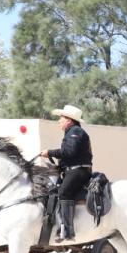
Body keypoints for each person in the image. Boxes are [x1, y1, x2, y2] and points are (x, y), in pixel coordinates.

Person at [40, 104, 92, 242]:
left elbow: (70, 152)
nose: (59, 121)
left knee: (64, 192)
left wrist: (49, 152)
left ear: (69, 120)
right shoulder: (72, 132)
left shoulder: (75, 131)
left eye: (61, 118)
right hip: (73, 170)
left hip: (78, 171)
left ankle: (68, 230)